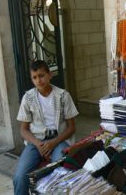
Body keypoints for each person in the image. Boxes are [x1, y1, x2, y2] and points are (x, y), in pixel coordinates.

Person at [13, 60, 79, 195]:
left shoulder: (63, 96)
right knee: (19, 177)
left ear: (50, 74)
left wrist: (53, 143)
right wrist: (39, 144)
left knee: (61, 173)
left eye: (42, 75)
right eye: (35, 77)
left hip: (58, 140)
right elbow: (23, 129)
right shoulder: (28, 98)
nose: (39, 80)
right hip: (36, 142)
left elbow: (71, 127)